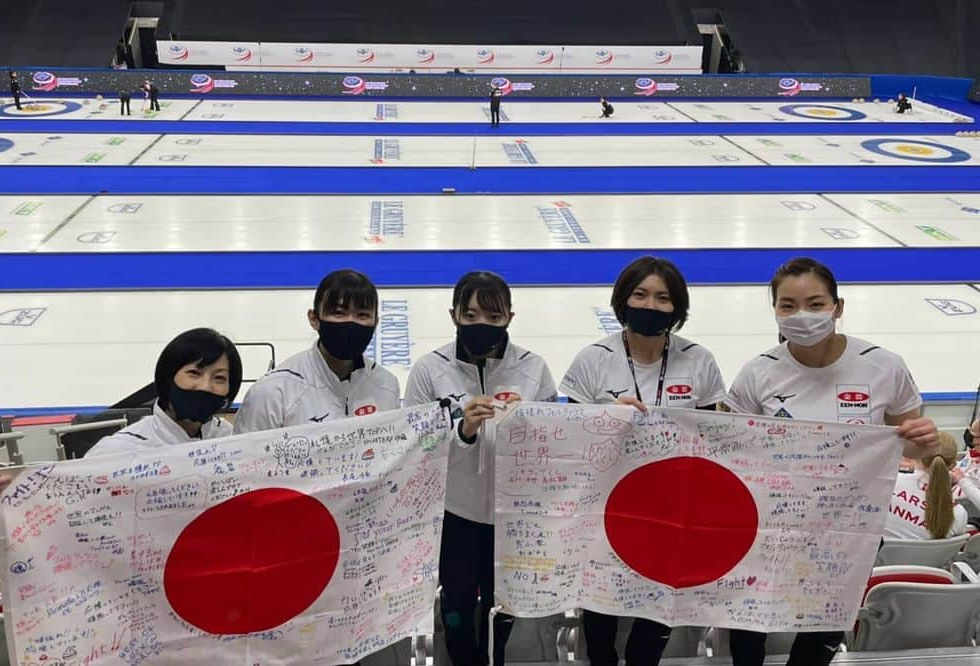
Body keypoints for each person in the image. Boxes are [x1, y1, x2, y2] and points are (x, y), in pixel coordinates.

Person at [724, 256, 940, 666]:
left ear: (838, 307)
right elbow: (733, 448)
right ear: (775, 311)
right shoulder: (758, 374)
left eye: (815, 303)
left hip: (849, 527)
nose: (802, 315)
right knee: (748, 624)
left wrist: (924, 441)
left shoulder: (883, 365)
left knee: (821, 629)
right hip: (773, 523)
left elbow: (908, 445)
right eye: (788, 305)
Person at [559, 256, 728, 666]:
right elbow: (571, 437)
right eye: (640, 295)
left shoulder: (699, 360)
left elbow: (714, 433)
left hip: (673, 510)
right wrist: (608, 418)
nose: (650, 306)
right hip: (607, 508)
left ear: (677, 308)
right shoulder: (593, 359)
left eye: (662, 298)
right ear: (622, 300)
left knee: (654, 623)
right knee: (600, 623)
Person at [404, 272, 557, 666]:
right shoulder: (429, 369)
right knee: (455, 606)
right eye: (470, 316)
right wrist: (464, 431)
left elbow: (556, 438)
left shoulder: (533, 368)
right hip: (454, 513)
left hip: (512, 515)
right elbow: (415, 447)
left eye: (492, 315)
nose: (480, 325)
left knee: (501, 605)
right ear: (453, 315)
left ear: (509, 316)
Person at [0, 327, 241, 531]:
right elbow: (75, 527)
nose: (206, 386)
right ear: (168, 378)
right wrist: (4, 522)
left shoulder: (237, 443)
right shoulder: (117, 451)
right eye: (194, 373)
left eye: (219, 378)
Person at [234, 269, 399, 433]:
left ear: (375, 322)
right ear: (314, 319)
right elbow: (244, 457)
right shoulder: (272, 393)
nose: (351, 322)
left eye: (362, 315)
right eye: (339, 313)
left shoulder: (387, 385)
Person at [885, 432, 969, 540]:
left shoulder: (890, 483)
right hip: (930, 557)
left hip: (878, 555)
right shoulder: (959, 514)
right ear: (953, 464)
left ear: (917, 455)